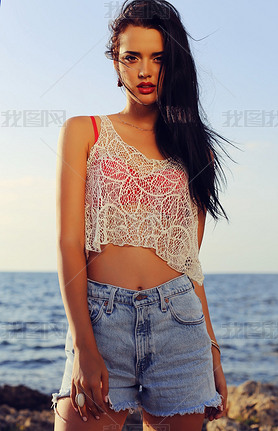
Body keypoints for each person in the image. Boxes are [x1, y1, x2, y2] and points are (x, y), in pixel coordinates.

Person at [51, 0, 235, 429]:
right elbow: (67, 243)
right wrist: (83, 347)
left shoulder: (196, 152)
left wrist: (213, 353)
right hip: (101, 320)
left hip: (180, 323)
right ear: (116, 64)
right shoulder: (84, 132)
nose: (145, 71)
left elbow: (190, 263)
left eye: (158, 57)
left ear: (175, 64)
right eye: (131, 57)